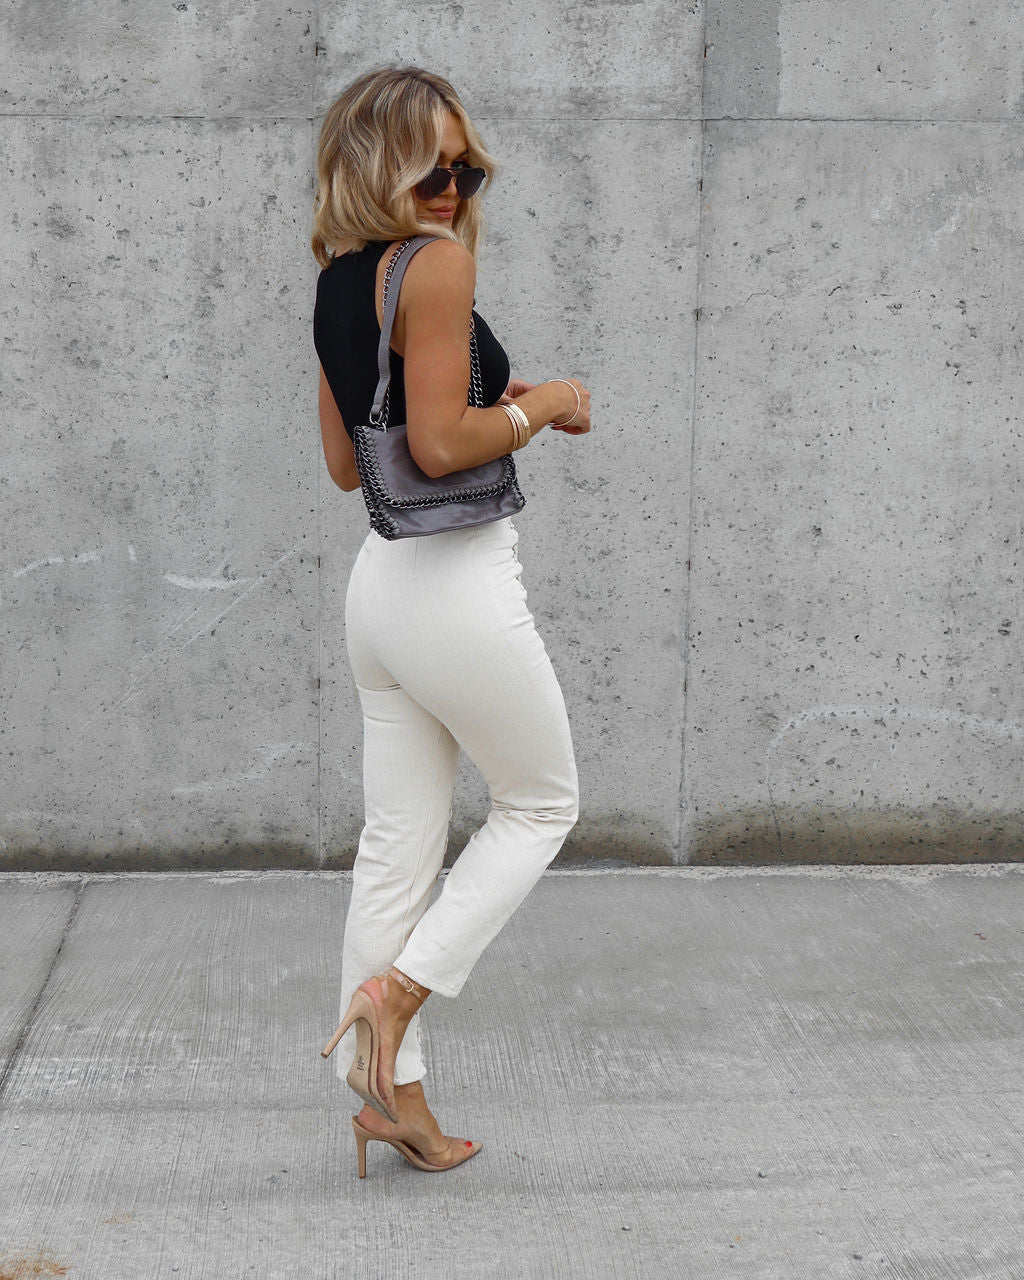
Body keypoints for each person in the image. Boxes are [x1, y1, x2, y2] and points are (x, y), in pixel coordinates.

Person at [311, 66, 591, 1178]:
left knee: (397, 849)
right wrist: (544, 405)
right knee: (542, 802)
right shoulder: (436, 266)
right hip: (455, 587)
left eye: (467, 169)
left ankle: (396, 1103)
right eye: (432, 165)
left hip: (380, 591)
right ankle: (400, 992)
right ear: (375, 161)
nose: (453, 187)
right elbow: (435, 447)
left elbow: (351, 465)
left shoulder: (340, 278)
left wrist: (484, 403)